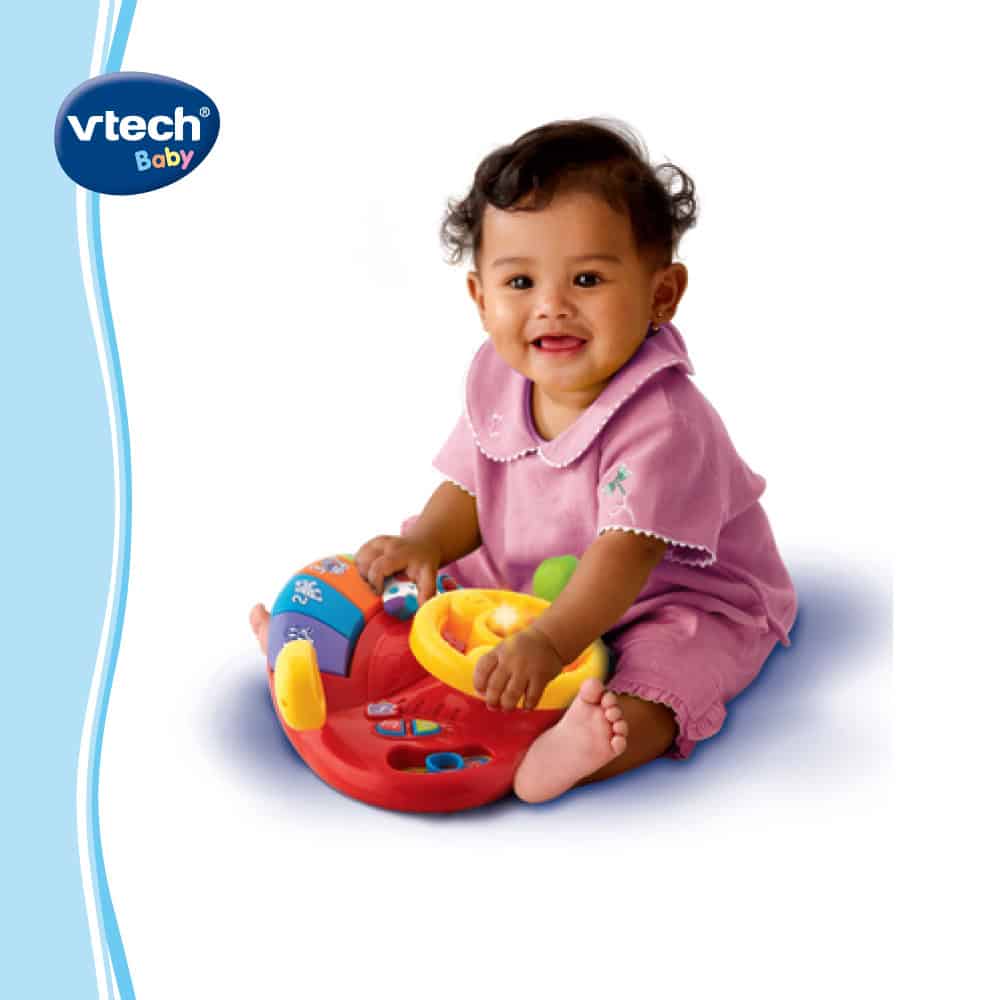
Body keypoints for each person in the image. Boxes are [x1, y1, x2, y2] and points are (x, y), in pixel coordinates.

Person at [251, 117, 797, 804]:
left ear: (661, 294)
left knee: (671, 670)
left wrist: (549, 642)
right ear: (481, 299)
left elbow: (622, 560)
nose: (551, 307)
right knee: (420, 594)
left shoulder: (664, 423)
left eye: (588, 279)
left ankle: (576, 752)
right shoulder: (502, 377)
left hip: (668, 596)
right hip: (523, 580)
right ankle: (338, 667)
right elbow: (472, 485)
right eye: (519, 282)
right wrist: (427, 542)